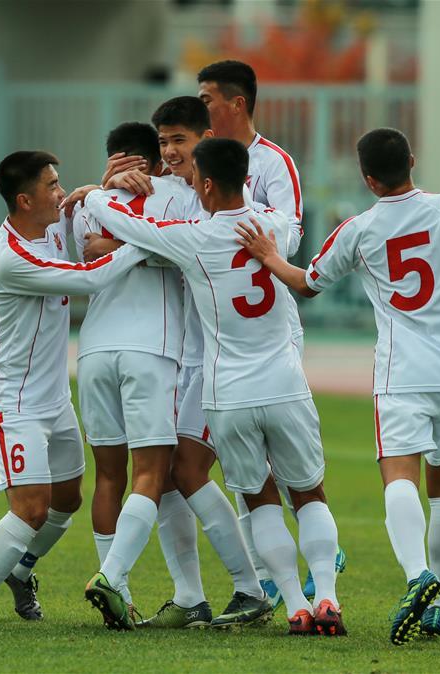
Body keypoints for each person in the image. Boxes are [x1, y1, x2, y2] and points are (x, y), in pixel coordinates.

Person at [233, 128, 440, 644]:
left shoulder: (359, 229)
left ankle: (417, 576)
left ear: (368, 179)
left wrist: (269, 254)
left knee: (399, 477)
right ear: (413, 160)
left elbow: (308, 283)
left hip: (401, 372)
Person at [82, 138, 346, 637]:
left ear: (205, 184)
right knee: (310, 496)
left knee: (261, 499)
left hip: (228, 395)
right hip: (286, 384)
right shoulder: (274, 227)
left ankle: (293, 603)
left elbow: (130, 225)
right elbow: (296, 242)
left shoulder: (194, 237)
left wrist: (96, 193)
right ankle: (327, 596)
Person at [72, 98, 275, 631]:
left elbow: (108, 246)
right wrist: (109, 208)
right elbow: (100, 244)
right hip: (171, 353)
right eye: (162, 143)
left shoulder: (201, 198)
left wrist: (101, 203)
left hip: (193, 356)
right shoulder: (169, 196)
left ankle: (221, 591)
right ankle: (182, 592)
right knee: (162, 475)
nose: (168, 152)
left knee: (163, 473)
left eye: (178, 141)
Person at [0, 151, 149, 627]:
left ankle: (21, 570)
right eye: (52, 186)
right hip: (13, 404)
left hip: (55, 398)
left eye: (59, 183)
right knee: (31, 509)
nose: (61, 192)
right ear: (24, 199)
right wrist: (154, 239)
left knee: (67, 500)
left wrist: (105, 185)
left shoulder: (52, 223)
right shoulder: (12, 257)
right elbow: (93, 277)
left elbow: (85, 227)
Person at [197, 58, 346, 603]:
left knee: (268, 479)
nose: (203, 107)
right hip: (219, 325)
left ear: (237, 103)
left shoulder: (275, 162)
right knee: (256, 474)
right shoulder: (196, 157)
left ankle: (283, 576)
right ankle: (275, 575)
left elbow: (289, 237)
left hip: (267, 335)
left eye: (209, 97)